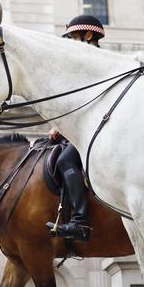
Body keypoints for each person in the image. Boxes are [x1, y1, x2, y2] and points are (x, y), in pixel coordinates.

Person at [45, 14, 106, 241]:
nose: (69, 42)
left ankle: (80, 222)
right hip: (85, 126)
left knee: (65, 161)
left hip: (97, 127)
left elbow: (88, 99)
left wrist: (60, 126)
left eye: (73, 36)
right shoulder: (87, 62)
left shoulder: (95, 61)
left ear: (88, 35)